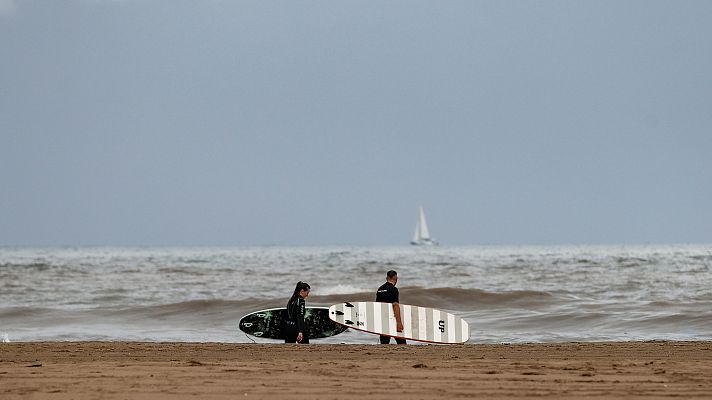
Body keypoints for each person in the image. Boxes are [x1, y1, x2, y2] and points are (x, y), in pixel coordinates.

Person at [376, 270, 406, 344]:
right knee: (402, 343)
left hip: (383, 320)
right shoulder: (394, 289)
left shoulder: (380, 289)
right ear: (395, 278)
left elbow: (377, 306)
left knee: (384, 343)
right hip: (392, 319)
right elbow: (395, 305)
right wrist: (399, 323)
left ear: (387, 278)